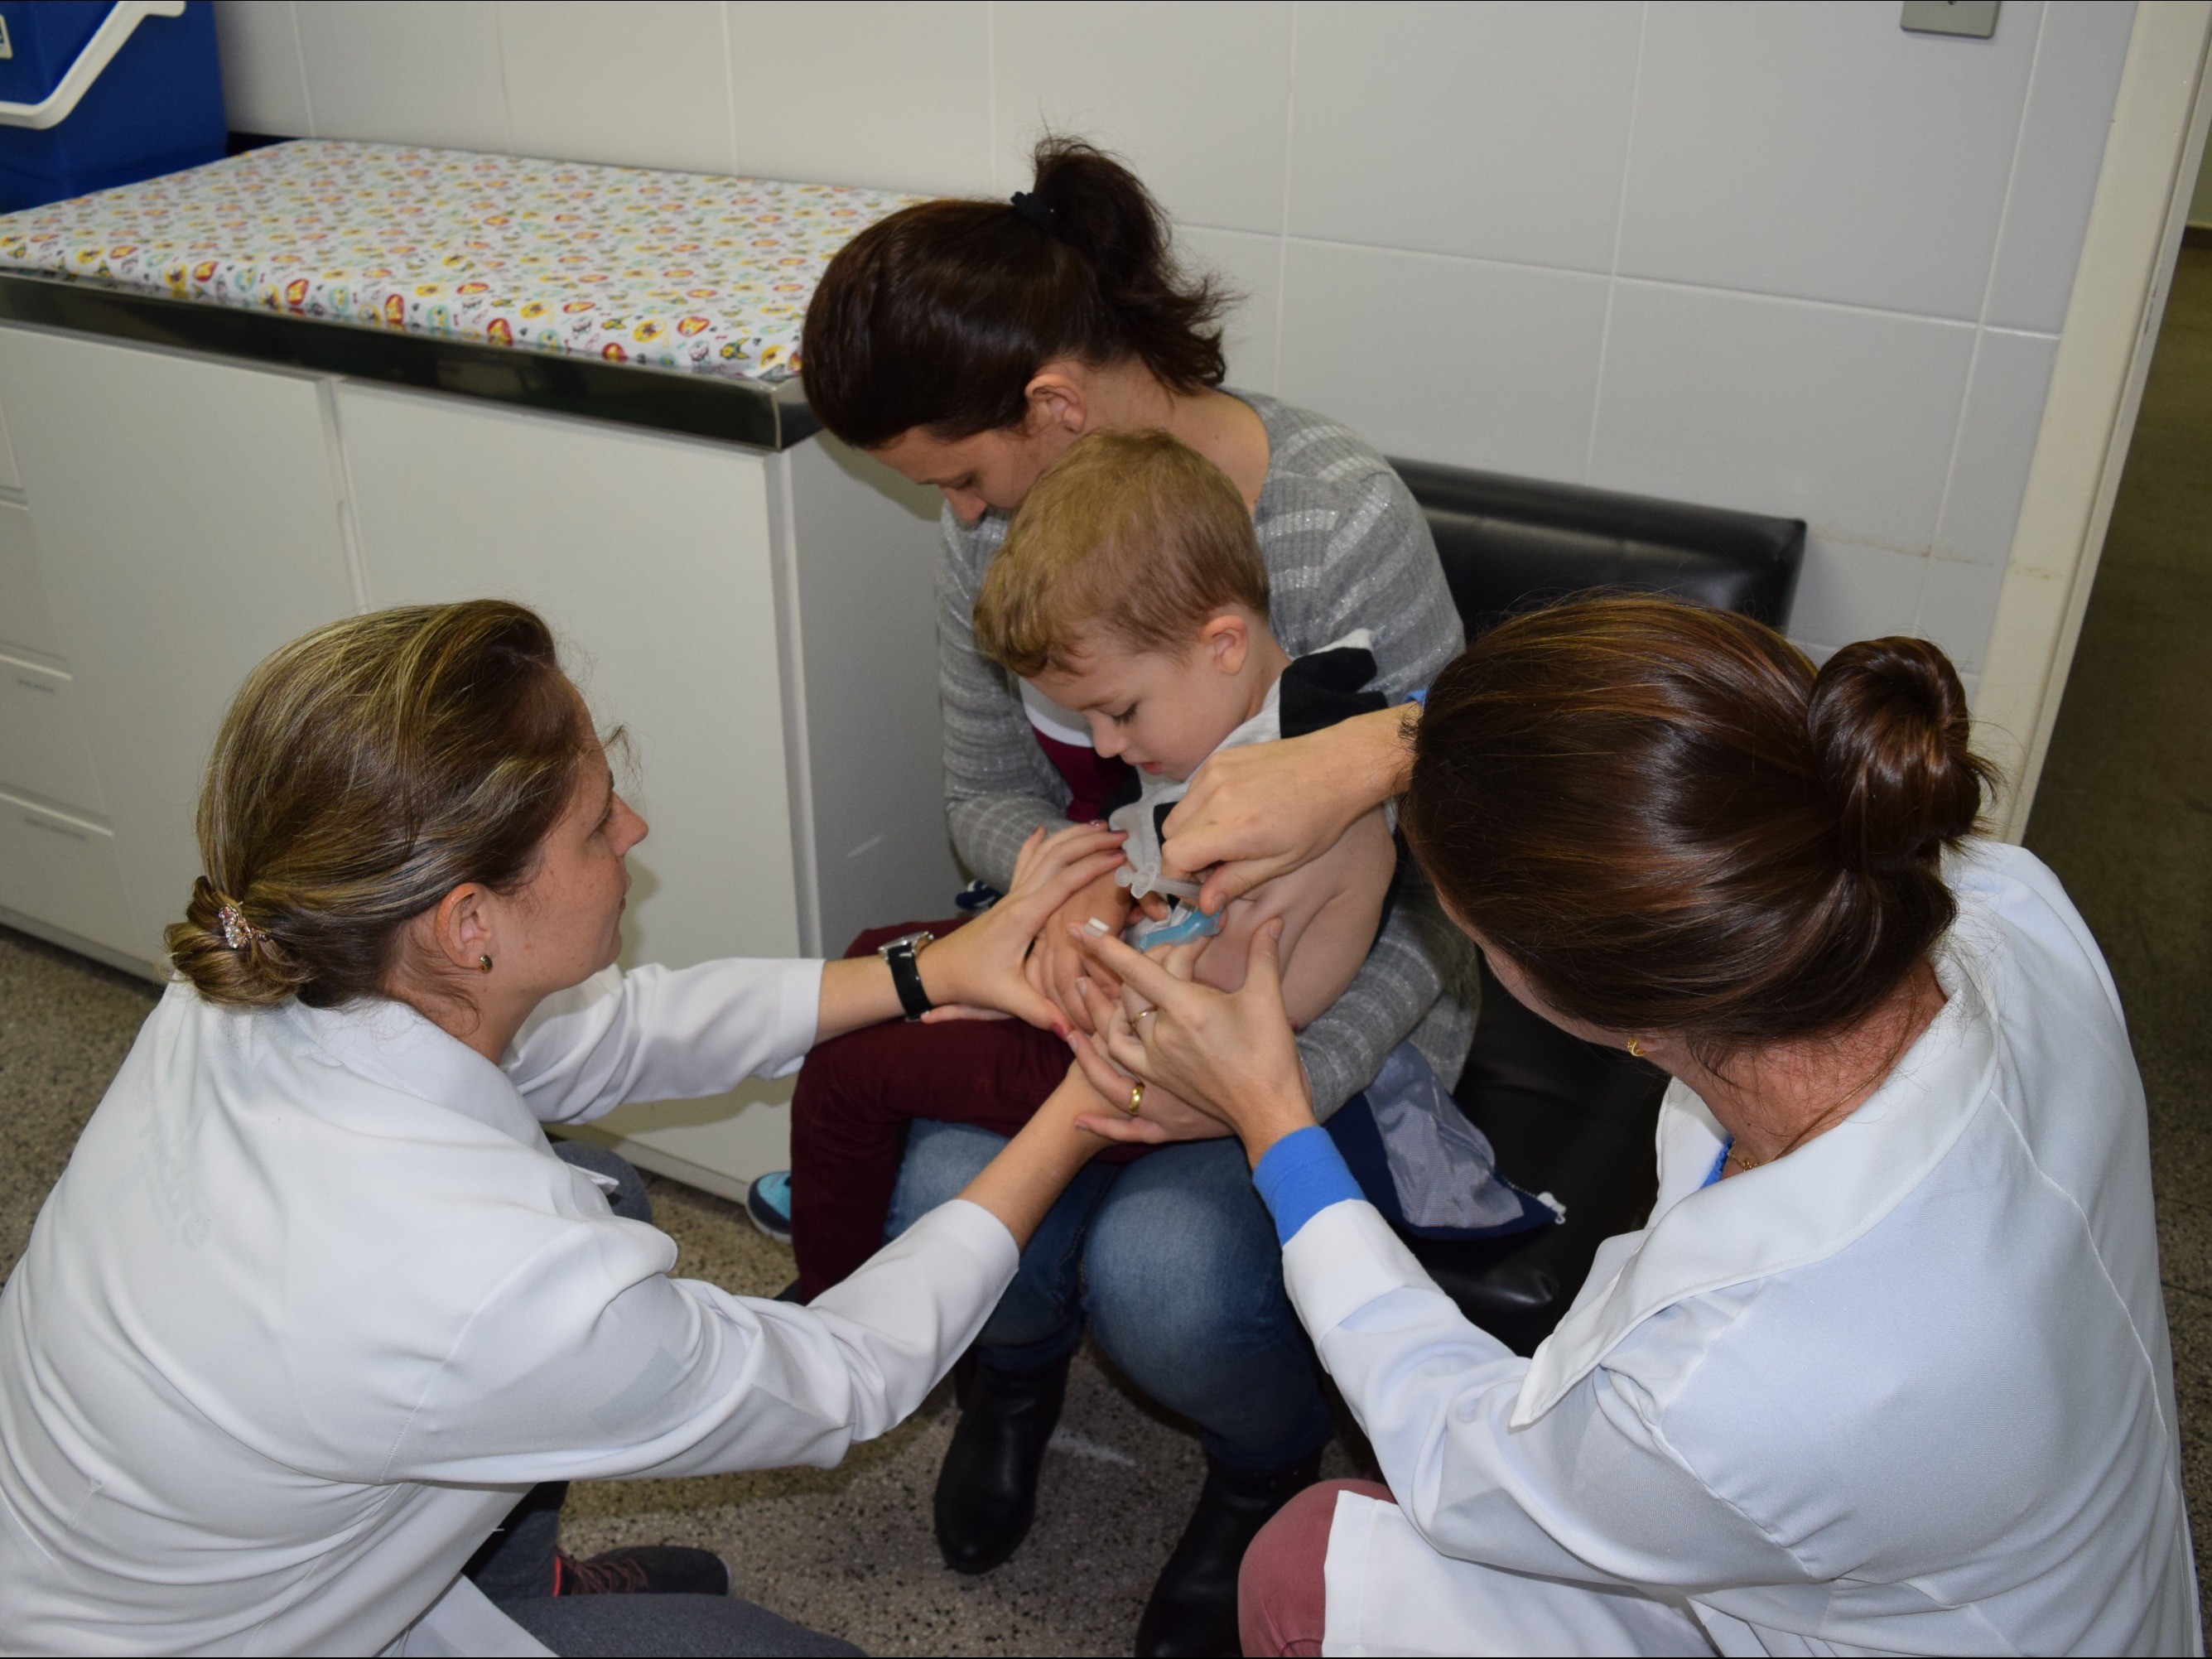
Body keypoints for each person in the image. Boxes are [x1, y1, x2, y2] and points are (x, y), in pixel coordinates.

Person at [0, 600, 1135, 1658]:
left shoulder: (280, 954)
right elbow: (841, 1377)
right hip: (209, 1635)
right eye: (597, 824)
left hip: (110, 1538)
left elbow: (613, 1034)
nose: (633, 824)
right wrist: (1073, 1114)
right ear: (468, 924)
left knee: (596, 1187)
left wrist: (925, 969)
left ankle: (511, 1587)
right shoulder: (481, 1277)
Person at [1071, 597, 2203, 1657]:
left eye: (1470, 930)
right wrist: (1378, 750)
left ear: (1586, 1002)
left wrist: (1271, 1113)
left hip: (1899, 1598)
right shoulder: (2003, 907)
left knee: (1305, 1568)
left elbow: (1457, 1448)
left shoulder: (1742, 1374)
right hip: (2047, 1555)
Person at [788, 136, 1474, 1652]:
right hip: (1114, 969)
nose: (963, 521)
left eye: (963, 477)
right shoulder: (999, 543)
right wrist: (1080, 904)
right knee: (941, 1210)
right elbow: (986, 797)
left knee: (1166, 1272)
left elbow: (1459, 878)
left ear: (1051, 405)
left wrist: (1261, 1083)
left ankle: (1255, 1470)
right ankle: (1014, 1375)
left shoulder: (1332, 520)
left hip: (1333, 998)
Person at [789, 429, 1402, 1296]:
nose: (1107, 746)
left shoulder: (1283, 806)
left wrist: (1045, 962)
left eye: (1119, 711)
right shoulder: (1282, 717)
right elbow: (1150, 896)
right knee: (869, 960)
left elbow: (1190, 992)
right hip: (1134, 1005)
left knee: (848, 1060)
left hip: (1159, 1056)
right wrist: (1074, 919)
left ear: (1224, 641)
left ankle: (831, 1302)